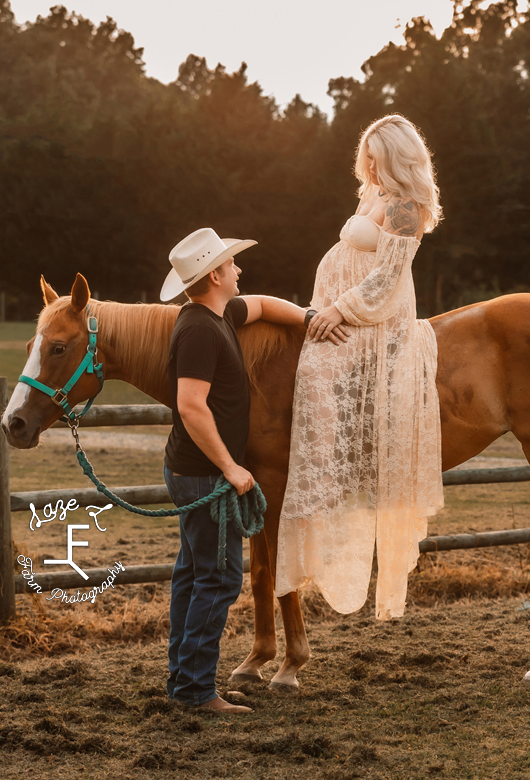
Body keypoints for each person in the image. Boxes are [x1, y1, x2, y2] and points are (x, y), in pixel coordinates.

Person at [159, 227, 344, 714]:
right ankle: (198, 692)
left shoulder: (217, 313)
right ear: (216, 274)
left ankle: (183, 682)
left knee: (191, 576)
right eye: (231, 264)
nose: (239, 269)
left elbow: (262, 305)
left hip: (192, 470)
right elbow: (191, 406)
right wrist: (232, 468)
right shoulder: (199, 329)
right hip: (203, 474)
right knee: (217, 580)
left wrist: (310, 317)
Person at [275, 114, 444, 621]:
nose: (368, 163)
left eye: (376, 156)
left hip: (375, 322)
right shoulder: (371, 196)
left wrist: (337, 310)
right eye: (365, 155)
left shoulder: (406, 208)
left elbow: (388, 281)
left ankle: (326, 484)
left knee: (315, 375)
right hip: (341, 309)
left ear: (397, 158)